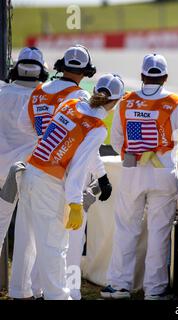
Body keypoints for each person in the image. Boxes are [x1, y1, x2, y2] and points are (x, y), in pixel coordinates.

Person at [8, 45, 111, 300]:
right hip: (61, 173)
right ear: (86, 72)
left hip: (35, 163)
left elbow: (23, 124)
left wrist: (42, 140)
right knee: (61, 242)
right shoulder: (78, 97)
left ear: (60, 65)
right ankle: (61, 293)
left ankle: (21, 291)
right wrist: (101, 175)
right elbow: (85, 144)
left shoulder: (39, 91)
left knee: (26, 236)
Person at [102, 54, 178, 300]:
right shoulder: (175, 102)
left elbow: (116, 141)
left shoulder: (126, 102)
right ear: (165, 77)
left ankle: (119, 285)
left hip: (132, 172)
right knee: (159, 232)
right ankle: (155, 291)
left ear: (142, 76)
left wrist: (135, 156)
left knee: (126, 228)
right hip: (163, 173)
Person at [0, 47, 49, 300]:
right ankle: (22, 291)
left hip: (0, 172)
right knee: (28, 234)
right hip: (30, 172)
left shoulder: (1, 91)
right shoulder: (44, 98)